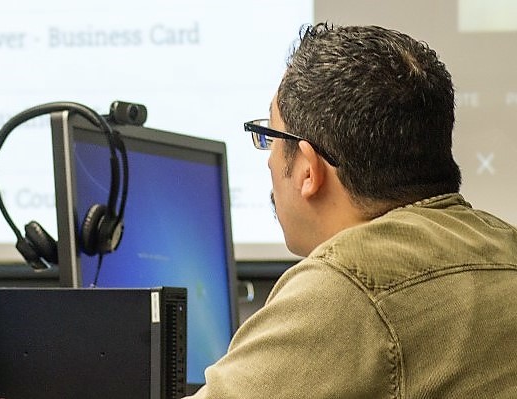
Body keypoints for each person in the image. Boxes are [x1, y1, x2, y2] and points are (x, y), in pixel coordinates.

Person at [185, 23, 517, 398]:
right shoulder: (505, 245)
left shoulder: (346, 286)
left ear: (309, 169)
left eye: (270, 137)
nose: (269, 162)